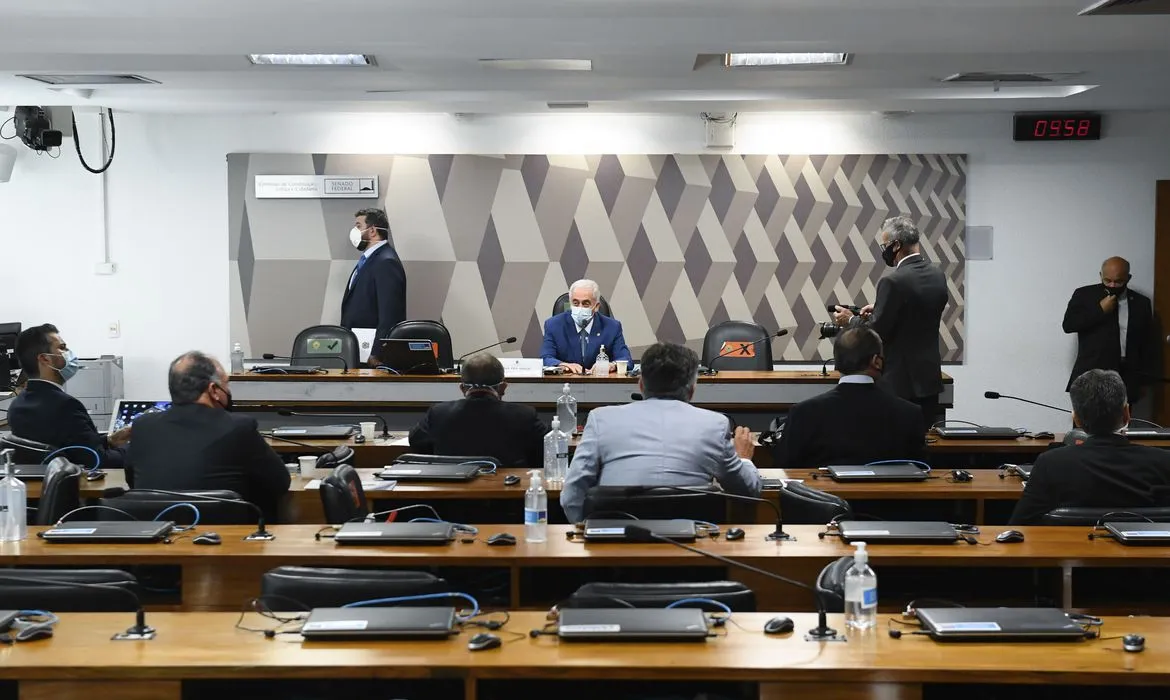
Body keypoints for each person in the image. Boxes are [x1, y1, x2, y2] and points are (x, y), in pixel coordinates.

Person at [559, 342, 761, 523]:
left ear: (640, 384)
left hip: (614, 550)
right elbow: (747, 492)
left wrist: (586, 531)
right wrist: (743, 459)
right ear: (691, 389)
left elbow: (571, 496)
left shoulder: (600, 419)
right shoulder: (715, 424)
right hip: (693, 554)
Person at [126, 351, 291, 523]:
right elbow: (280, 483)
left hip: (157, 537)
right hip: (226, 541)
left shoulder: (142, 426)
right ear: (214, 390)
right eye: (226, 385)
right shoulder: (239, 427)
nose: (228, 391)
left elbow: (133, 482)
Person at [1009, 370, 1170, 525]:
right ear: (1127, 414)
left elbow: (1020, 525)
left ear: (1077, 420)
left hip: (1071, 551)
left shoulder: (1051, 463)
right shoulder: (1163, 461)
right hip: (1144, 553)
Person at [833, 215, 948, 432]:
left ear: (896, 245)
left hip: (898, 385)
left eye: (884, 245)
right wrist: (880, 308)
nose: (883, 250)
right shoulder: (937, 275)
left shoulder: (892, 281)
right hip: (929, 381)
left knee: (893, 444)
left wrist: (850, 320)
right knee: (922, 445)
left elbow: (877, 333)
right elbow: (915, 314)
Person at [771, 328, 925, 469]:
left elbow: (784, 466)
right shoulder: (909, 413)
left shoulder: (803, 413)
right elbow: (921, 468)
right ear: (876, 361)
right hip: (888, 498)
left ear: (837, 362)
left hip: (821, 498)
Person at [7, 323, 127, 468]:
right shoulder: (65, 406)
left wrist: (109, 440)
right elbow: (96, 460)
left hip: (40, 485)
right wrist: (135, 450)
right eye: (62, 348)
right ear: (45, 359)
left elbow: (69, 447)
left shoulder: (17, 405)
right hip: (80, 487)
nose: (70, 353)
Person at [409, 353, 548, 467]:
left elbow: (416, 442)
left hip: (451, 497)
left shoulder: (439, 413)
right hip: (507, 496)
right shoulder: (524, 415)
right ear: (503, 388)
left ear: (462, 388)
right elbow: (546, 451)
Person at [1062, 256, 1154, 406]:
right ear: (1100, 276)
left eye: (1118, 281)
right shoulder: (1084, 295)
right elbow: (1069, 325)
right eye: (1107, 280)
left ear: (1128, 278)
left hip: (1126, 374)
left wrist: (1145, 381)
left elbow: (1147, 343)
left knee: (1121, 425)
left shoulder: (1141, 303)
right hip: (1091, 374)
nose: (1112, 285)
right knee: (1085, 426)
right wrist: (1100, 310)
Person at [339, 207, 408, 365]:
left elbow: (390, 314)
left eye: (358, 226)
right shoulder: (369, 260)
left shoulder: (386, 262)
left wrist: (377, 353)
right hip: (357, 349)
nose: (354, 231)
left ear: (372, 231)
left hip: (371, 355)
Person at [540, 278, 632, 375]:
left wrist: (611, 365)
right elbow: (545, 358)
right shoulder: (553, 325)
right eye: (575, 303)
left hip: (600, 384)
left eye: (585, 304)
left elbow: (626, 360)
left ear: (596, 306)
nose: (579, 308)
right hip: (566, 384)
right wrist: (562, 365)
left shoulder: (612, 327)